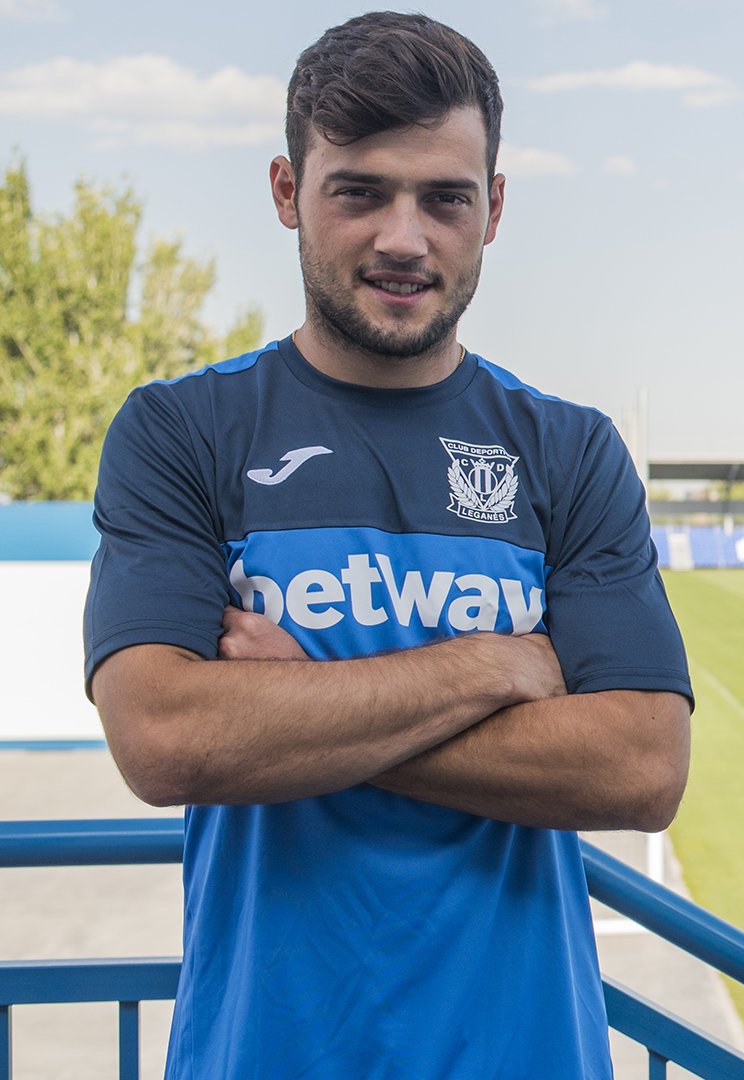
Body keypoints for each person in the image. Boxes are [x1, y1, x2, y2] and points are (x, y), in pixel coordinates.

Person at [82, 12, 693, 1078]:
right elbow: (167, 740)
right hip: (266, 1054)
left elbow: (640, 764)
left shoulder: (568, 450)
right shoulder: (183, 429)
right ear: (287, 193)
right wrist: (497, 665)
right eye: (359, 189)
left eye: (445, 197)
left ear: (494, 207)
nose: (404, 237)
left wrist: (300, 703)